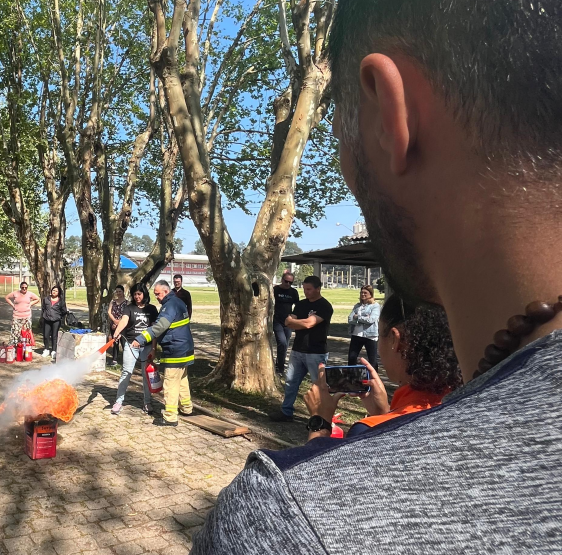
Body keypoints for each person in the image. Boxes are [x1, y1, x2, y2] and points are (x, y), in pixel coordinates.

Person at [193, 2, 562, 552]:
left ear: (392, 114)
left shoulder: (292, 517)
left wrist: (323, 431)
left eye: (338, 125)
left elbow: (305, 320)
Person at [304, 293, 462, 441]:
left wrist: (320, 422)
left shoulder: (365, 431)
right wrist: (385, 413)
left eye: (380, 335)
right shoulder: (467, 410)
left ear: (395, 339)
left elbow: (316, 469)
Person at [268, 275, 333, 422]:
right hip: (298, 350)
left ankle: (321, 416)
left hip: (316, 352)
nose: (306, 292)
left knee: (319, 386)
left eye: (309, 289)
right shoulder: (301, 304)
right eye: (304, 289)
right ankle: (286, 412)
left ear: (318, 289)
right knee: (291, 382)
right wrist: (296, 322)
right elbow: (287, 322)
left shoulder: (325, 306)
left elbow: (309, 324)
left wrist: (296, 322)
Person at [131, 280, 194, 426]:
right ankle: (186, 408)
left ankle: (170, 417)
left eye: (158, 294)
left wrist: (140, 339)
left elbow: (160, 327)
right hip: (185, 348)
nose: (156, 297)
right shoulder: (178, 302)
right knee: (182, 379)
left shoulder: (169, 306)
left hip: (175, 350)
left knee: (171, 383)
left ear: (166, 291)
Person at [111, 284, 159, 415]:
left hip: (147, 346)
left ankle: (147, 402)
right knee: (126, 372)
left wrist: (153, 348)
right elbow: (124, 321)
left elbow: (155, 330)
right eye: (135, 294)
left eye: (139, 294)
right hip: (131, 344)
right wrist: (117, 332)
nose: (137, 297)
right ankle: (118, 401)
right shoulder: (129, 308)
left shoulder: (152, 309)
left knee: (145, 375)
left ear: (144, 294)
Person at [346, 284, 381, 369]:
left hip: (370, 335)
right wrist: (363, 318)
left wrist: (357, 317)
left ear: (371, 294)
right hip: (356, 334)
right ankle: (352, 378)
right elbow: (350, 319)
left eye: (365, 293)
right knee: (352, 358)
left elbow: (371, 320)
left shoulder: (375, 306)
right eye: (361, 292)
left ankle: (374, 379)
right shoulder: (357, 306)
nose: (363, 294)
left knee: (372, 360)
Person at [272, 271, 300, 375]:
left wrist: (294, 317)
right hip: (277, 320)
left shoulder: (293, 292)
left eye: (290, 282)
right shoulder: (275, 290)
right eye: (286, 281)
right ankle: (280, 367)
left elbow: (298, 306)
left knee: (285, 345)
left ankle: (280, 366)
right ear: (282, 280)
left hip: (288, 321)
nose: (288, 284)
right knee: (282, 342)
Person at [40, 285, 69, 360]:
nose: (54, 292)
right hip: (47, 320)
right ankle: (46, 349)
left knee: (54, 336)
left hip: (56, 321)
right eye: (53, 290)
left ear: (58, 292)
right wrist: (44, 315)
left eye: (56, 291)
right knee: (46, 335)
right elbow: (43, 308)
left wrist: (59, 317)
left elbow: (64, 311)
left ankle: (53, 351)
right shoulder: (46, 299)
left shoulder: (61, 301)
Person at [107, 285, 128, 362]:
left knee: (123, 342)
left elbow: (127, 314)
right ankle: (114, 359)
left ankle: (126, 359)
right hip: (113, 325)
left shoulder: (127, 303)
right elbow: (109, 312)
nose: (118, 293)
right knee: (115, 341)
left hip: (123, 325)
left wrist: (119, 322)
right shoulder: (113, 302)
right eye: (117, 291)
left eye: (120, 291)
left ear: (123, 292)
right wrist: (114, 321)